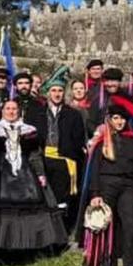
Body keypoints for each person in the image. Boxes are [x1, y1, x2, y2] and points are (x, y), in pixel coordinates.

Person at [0, 99, 67, 256]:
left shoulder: (29, 131)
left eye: (14, 109)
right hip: (0, 174)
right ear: (2, 111)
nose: (11, 112)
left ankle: (31, 245)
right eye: (8, 108)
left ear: (19, 111)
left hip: (26, 175)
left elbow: (35, 155)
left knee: (33, 206)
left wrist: (40, 173)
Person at [85, 105, 133, 266]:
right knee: (108, 228)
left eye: (122, 118)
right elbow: (95, 170)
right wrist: (95, 193)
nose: (120, 122)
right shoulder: (102, 143)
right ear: (110, 120)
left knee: (131, 226)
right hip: (107, 185)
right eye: (116, 118)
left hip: (129, 186)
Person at [27, 67, 88, 241]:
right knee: (45, 197)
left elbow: (78, 140)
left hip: (64, 161)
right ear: (48, 93)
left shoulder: (74, 115)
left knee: (63, 199)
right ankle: (44, 235)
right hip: (42, 160)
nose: (57, 94)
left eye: (60, 90)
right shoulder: (36, 113)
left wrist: (71, 153)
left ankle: (62, 234)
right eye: (53, 90)